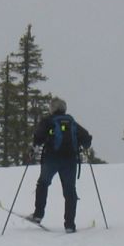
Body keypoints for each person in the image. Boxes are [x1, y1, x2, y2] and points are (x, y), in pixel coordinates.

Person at [28, 97, 92, 233]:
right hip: (70, 160)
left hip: (51, 159)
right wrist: (83, 145)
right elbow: (87, 138)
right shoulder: (71, 122)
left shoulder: (48, 121)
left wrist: (33, 148)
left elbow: (38, 136)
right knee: (70, 191)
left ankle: (38, 215)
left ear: (52, 108)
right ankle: (69, 224)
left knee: (43, 184)